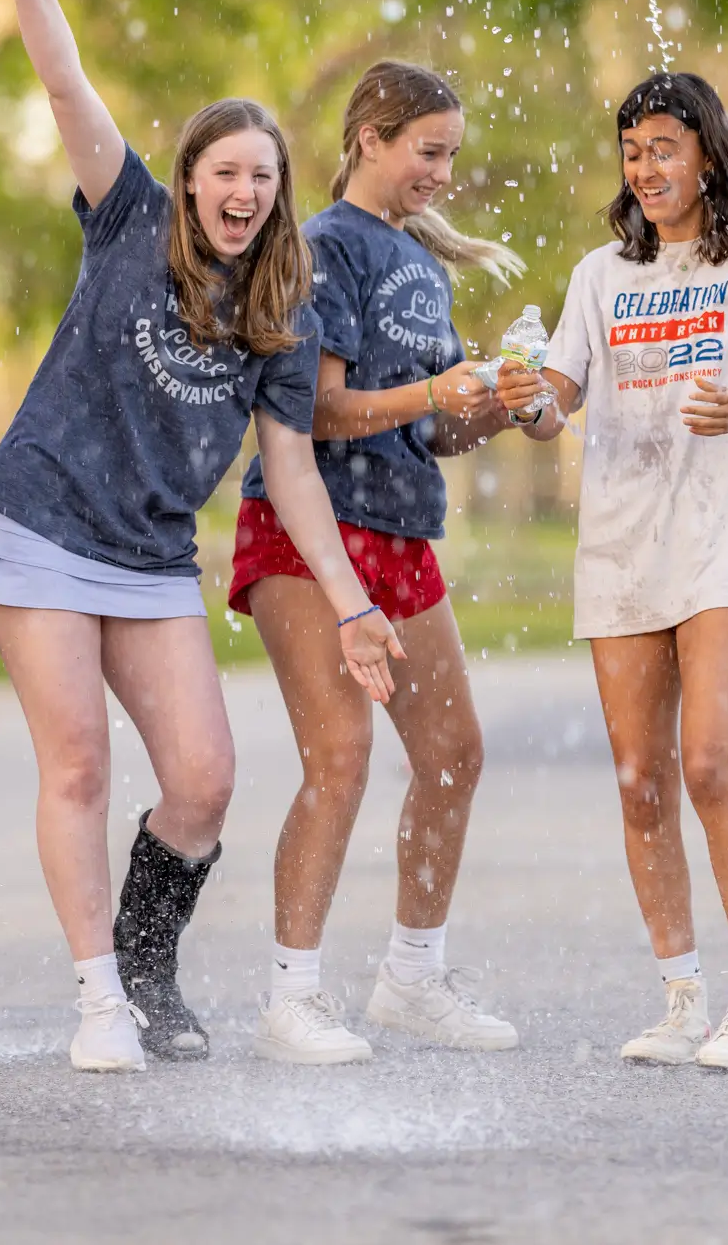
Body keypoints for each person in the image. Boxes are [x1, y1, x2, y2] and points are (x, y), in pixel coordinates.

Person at [0, 0, 403, 1073]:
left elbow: (292, 473)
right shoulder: (128, 220)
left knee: (202, 782)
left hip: (151, 553)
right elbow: (65, 87)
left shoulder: (281, 306)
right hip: (44, 524)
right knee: (79, 763)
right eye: (224, 169)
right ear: (191, 174)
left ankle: (145, 958)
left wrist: (352, 604)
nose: (243, 191)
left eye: (262, 175)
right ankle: (98, 1000)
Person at [495, 72, 728, 1071]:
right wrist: (521, 398)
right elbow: (554, 403)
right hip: (620, 543)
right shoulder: (599, 274)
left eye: (663, 147)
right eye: (631, 150)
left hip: (724, 543)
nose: (645, 168)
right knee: (640, 780)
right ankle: (682, 997)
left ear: (707, 154)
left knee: (706, 766)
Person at [231, 60, 521, 1064]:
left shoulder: (420, 264)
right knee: (340, 759)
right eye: (426, 151)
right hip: (309, 532)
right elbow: (314, 410)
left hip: (399, 529)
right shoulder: (321, 250)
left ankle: (411, 976)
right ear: (368, 138)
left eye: (449, 153)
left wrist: (483, 412)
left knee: (452, 755)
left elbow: (425, 433)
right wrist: (434, 395)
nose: (441, 171)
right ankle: (291, 997)